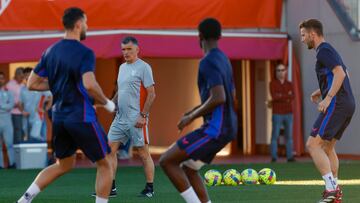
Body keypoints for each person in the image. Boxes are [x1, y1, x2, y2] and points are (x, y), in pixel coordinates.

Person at [17, 7, 115, 203]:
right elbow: (89, 84)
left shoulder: (50, 51)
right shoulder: (85, 52)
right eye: (86, 23)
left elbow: (32, 83)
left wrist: (57, 84)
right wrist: (108, 103)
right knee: (106, 163)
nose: (87, 27)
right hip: (81, 116)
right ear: (78, 25)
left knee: (64, 164)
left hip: (59, 117)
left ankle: (24, 200)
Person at [159, 18, 237, 203]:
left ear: (199, 36)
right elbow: (231, 96)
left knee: (167, 161)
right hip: (228, 127)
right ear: (220, 36)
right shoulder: (224, 59)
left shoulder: (207, 61)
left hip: (215, 129)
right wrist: (193, 110)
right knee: (189, 168)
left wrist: (191, 117)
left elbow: (219, 97)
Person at [299, 19, 355, 203]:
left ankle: (331, 191)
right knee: (328, 147)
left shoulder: (323, 51)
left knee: (312, 145)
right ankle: (335, 191)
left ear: (312, 34)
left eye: (303, 35)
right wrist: (321, 91)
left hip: (337, 104)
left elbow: (340, 73)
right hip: (346, 103)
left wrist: (328, 97)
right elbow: (346, 74)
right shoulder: (329, 50)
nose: (302, 39)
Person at [102, 36, 156, 198]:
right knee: (109, 151)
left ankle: (149, 188)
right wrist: (112, 103)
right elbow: (121, 89)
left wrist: (143, 115)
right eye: (123, 49)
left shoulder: (144, 67)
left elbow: (152, 94)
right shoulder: (122, 67)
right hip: (120, 118)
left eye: (129, 49)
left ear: (137, 50)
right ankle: (111, 188)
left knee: (143, 153)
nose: (125, 52)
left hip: (137, 118)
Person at [269, 63, 295, 162]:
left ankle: (290, 157)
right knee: (275, 135)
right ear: (276, 72)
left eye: (282, 70)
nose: (280, 72)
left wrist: (281, 96)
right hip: (277, 113)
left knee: (289, 136)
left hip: (289, 113)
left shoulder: (290, 84)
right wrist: (286, 96)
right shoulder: (272, 83)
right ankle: (274, 157)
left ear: (285, 71)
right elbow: (274, 97)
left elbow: (292, 96)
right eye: (278, 70)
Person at [19, 67, 51, 142]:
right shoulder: (22, 89)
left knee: (37, 135)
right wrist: (22, 111)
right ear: (24, 76)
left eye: (29, 74)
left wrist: (45, 109)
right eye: (26, 75)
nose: (27, 77)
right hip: (27, 117)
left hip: (38, 116)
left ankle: (44, 151)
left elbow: (50, 97)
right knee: (28, 137)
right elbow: (21, 103)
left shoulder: (38, 86)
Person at [0, 71, 15, 169]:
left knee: (9, 143)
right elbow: (8, 106)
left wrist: (1, 106)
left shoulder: (9, 92)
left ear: (4, 80)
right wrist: (5, 106)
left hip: (7, 120)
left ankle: (12, 163)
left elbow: (11, 105)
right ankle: (0, 165)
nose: (0, 80)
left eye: (1, 78)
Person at [6, 67, 25, 144]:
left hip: (24, 113)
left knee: (22, 132)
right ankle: (18, 152)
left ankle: (21, 151)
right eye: (21, 77)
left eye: (23, 77)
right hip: (14, 113)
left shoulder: (23, 85)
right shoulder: (9, 85)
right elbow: (5, 100)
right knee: (17, 133)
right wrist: (15, 104)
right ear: (16, 75)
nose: (22, 79)